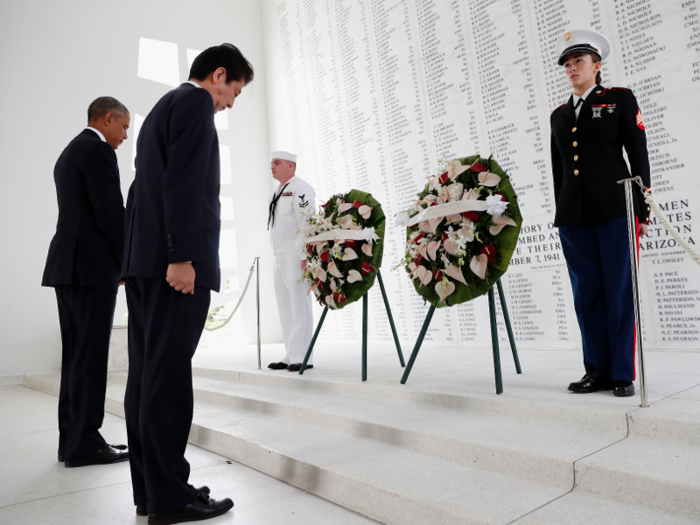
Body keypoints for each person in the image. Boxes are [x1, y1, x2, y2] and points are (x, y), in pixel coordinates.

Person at [121, 44, 253, 523]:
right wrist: (182, 257)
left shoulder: (161, 107)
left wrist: (129, 258)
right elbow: (182, 183)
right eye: (233, 91)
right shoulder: (196, 102)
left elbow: (140, 188)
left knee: (146, 378)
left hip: (143, 263)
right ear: (218, 75)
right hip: (172, 267)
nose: (230, 103)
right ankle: (171, 497)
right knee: (168, 380)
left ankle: (151, 492)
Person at [550, 29, 651, 397]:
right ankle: (596, 370)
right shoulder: (559, 115)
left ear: (597, 65)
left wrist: (641, 208)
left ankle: (622, 373)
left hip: (615, 210)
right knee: (587, 294)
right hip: (574, 217)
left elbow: (637, 154)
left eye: (578, 61)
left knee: (620, 291)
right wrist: (561, 210)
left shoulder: (619, 100)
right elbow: (559, 171)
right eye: (567, 64)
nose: (571, 68)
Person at [42, 96, 131, 467]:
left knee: (77, 357)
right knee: (90, 358)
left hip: (69, 267)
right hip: (90, 268)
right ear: (107, 118)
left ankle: (73, 441)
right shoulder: (97, 152)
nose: (125, 136)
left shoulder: (68, 152)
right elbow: (111, 213)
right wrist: (127, 261)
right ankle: (86, 443)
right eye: (124, 126)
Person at [266, 151, 316, 372]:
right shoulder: (277, 191)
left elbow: (307, 223)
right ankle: (290, 353)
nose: (272, 167)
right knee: (286, 307)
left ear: (291, 166)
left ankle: (303, 355)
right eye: (272, 163)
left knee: (299, 306)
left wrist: (307, 254)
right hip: (279, 255)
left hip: (296, 254)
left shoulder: (301, 188)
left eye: (277, 163)